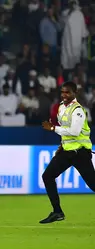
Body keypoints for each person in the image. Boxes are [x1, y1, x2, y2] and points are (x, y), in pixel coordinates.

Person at [40, 82, 95, 224]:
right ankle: (57, 212)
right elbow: (65, 132)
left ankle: (57, 212)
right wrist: (62, 145)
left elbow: (74, 132)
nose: (64, 95)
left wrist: (53, 129)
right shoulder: (61, 108)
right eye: (62, 92)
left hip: (80, 153)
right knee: (47, 176)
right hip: (67, 152)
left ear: (74, 93)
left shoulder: (78, 110)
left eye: (68, 92)